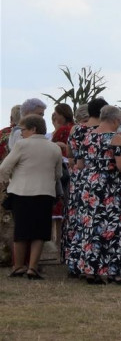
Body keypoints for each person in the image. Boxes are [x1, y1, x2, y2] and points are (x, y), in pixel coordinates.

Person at [0, 113, 63, 279]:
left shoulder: (21, 145)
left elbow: (4, 167)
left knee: (21, 231)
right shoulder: (55, 148)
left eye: (24, 129)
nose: (21, 133)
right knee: (39, 232)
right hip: (45, 193)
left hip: (21, 193)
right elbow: (58, 174)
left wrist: (9, 181)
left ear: (33, 129)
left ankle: (18, 266)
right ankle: (33, 267)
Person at [76, 104, 121, 284]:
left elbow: (80, 165)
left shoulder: (87, 136)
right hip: (109, 187)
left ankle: (90, 270)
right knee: (113, 228)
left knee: (91, 226)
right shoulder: (116, 137)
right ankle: (113, 271)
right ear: (116, 120)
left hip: (90, 184)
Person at [63, 97, 105, 274]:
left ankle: (72, 259)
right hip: (98, 179)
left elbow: (69, 152)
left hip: (79, 177)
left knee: (76, 218)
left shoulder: (77, 129)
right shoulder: (106, 131)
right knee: (95, 219)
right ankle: (94, 258)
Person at [49, 103, 74, 241]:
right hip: (74, 168)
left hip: (62, 168)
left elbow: (51, 149)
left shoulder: (63, 130)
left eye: (56, 114)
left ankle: (57, 239)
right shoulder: (75, 128)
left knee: (60, 201)